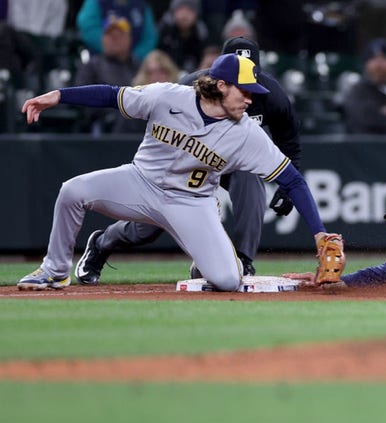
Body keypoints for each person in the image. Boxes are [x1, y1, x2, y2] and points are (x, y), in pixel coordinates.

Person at [17, 53, 334, 292]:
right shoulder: (167, 96)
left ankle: (211, 254)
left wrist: (319, 233)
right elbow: (111, 95)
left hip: (191, 202)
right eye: (245, 91)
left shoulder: (247, 133)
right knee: (72, 191)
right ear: (221, 85)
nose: (251, 99)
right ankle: (55, 270)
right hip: (139, 183)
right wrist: (59, 95)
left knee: (226, 280)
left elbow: (291, 178)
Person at [75, 38, 302, 285]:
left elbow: (289, 143)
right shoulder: (191, 87)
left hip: (232, 160)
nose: (243, 85)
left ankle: (242, 259)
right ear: (220, 74)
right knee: (147, 229)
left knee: (250, 178)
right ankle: (102, 242)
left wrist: (288, 188)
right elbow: (161, 135)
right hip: (190, 161)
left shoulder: (272, 95)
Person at [74, 14, 140, 134]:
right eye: (110, 35)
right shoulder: (92, 66)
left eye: (119, 35)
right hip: (106, 124)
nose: (114, 39)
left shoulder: (139, 66)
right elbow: (82, 98)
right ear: (103, 40)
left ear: (129, 40)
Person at [76, 0, 158, 61]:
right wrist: (110, 47)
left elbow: (150, 37)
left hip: (133, 65)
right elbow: (88, 28)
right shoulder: (96, 2)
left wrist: (135, 56)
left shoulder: (142, 6)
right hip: (100, 60)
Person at [156, 0, 209, 73]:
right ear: (173, 12)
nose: (184, 15)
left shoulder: (201, 34)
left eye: (189, 10)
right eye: (180, 10)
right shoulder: (162, 31)